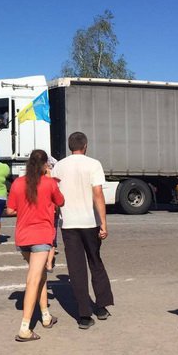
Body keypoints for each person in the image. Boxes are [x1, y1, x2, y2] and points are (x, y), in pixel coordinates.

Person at [52, 132, 114, 329]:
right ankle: (101, 306)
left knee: (76, 268)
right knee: (95, 261)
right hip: (90, 221)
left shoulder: (59, 166)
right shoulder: (93, 164)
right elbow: (98, 194)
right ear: (85, 145)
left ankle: (84, 315)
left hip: (69, 222)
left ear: (70, 146)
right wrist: (103, 222)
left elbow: (54, 195)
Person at [6, 149, 64, 342]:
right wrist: (49, 177)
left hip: (23, 237)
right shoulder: (49, 183)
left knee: (40, 275)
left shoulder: (18, 183)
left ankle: (46, 316)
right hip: (41, 236)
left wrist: (25, 209)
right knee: (33, 279)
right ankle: (25, 328)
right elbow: (61, 201)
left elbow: (10, 209)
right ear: (45, 164)